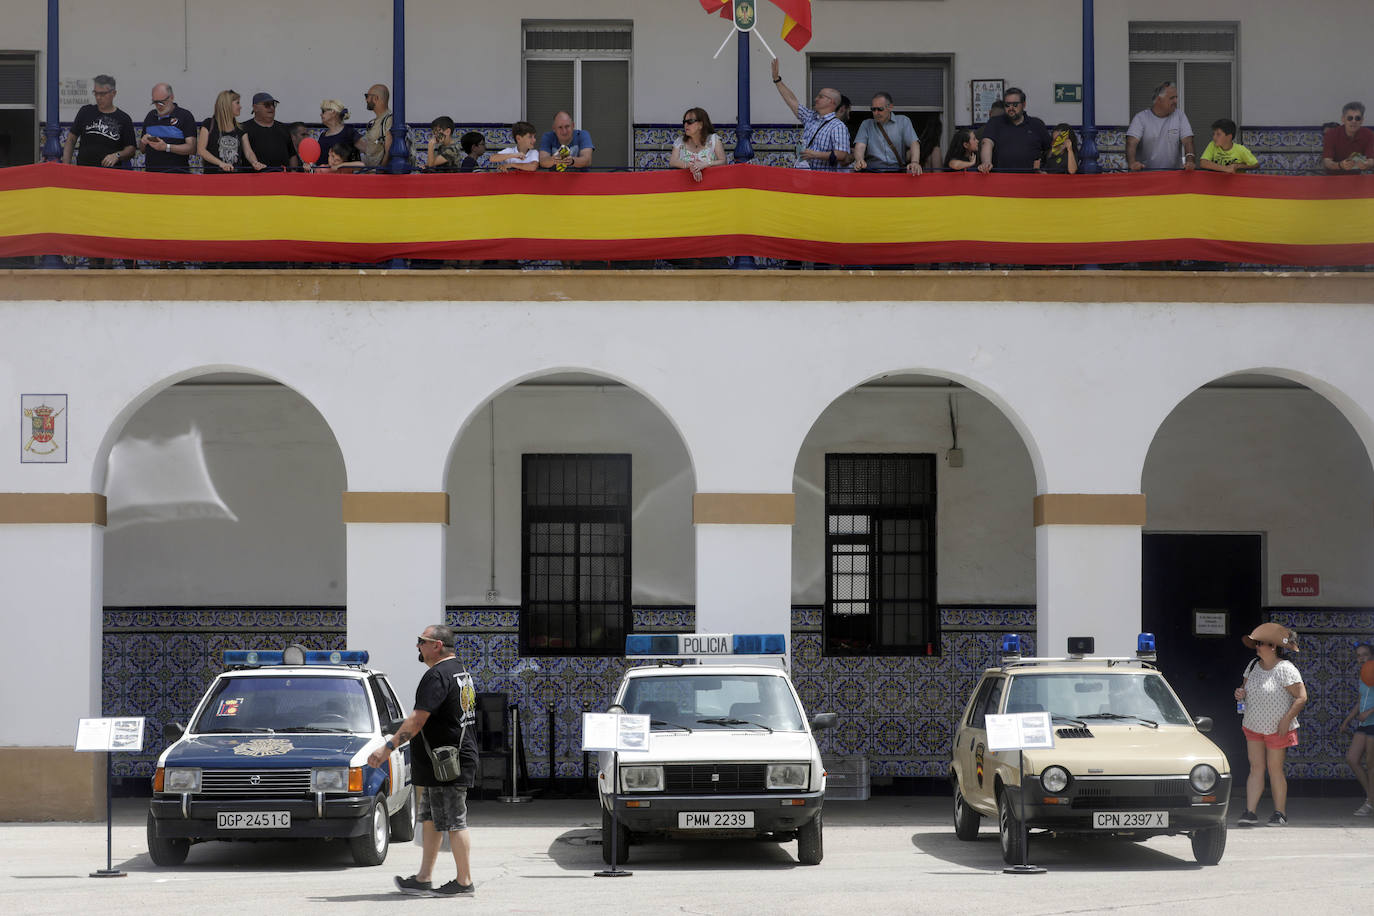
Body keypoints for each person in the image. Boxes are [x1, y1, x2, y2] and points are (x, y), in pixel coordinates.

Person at [368, 625, 479, 898]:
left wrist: (387, 748)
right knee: (430, 819)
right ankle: (424, 878)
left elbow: (417, 720)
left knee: (453, 821)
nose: (418, 646)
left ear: (437, 645)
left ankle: (464, 882)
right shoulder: (459, 671)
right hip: (441, 763)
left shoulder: (437, 675)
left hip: (447, 764)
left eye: (422, 641)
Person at [1233, 622, 1307, 827]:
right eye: (1256, 643)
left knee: (1275, 769)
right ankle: (1250, 812)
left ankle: (1279, 813)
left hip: (1277, 728)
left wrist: (1286, 720)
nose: (1256, 647)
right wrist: (1240, 693)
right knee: (1256, 768)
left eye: (1260, 644)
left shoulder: (1285, 669)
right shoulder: (1252, 666)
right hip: (1253, 724)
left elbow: (1301, 697)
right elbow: (1244, 690)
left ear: (1273, 646)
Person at [770, 57, 849, 171]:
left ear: (831, 101)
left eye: (821, 96)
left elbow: (842, 155)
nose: (816, 99)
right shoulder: (810, 117)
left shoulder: (838, 126)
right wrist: (777, 80)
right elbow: (792, 100)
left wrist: (815, 154)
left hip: (822, 179)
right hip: (803, 176)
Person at [62, 74, 135, 169]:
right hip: (84, 171)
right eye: (95, 93)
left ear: (113, 93)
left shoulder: (124, 118)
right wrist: (65, 166)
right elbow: (71, 139)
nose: (98, 97)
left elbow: (131, 149)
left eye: (102, 94)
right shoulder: (85, 111)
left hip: (110, 174)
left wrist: (117, 155)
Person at [1126, 81, 1196, 171]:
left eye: (1176, 97)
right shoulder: (1140, 118)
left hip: (1173, 175)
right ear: (1159, 100)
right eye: (1172, 98)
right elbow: (1131, 143)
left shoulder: (1180, 116)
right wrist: (1132, 162)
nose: (1176, 101)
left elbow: (1188, 141)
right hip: (1145, 175)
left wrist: (1190, 160)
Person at [978, 88, 1051, 173]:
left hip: (1030, 179)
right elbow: (987, 143)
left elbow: (1050, 149)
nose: (1011, 108)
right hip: (1001, 179)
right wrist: (986, 162)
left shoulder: (1037, 124)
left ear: (1024, 105)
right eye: (1007, 105)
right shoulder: (995, 122)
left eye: (1015, 105)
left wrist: (1046, 169)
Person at [1340, 642, 1374, 815]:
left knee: (1370, 763)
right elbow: (1361, 700)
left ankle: (1369, 803)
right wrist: (1347, 720)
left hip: (1373, 722)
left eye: (1365, 654)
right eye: (1358, 656)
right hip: (1363, 723)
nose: (1361, 658)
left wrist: (1369, 712)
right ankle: (1371, 797)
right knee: (1352, 758)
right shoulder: (1363, 674)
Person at [852, 92, 921, 176]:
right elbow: (860, 146)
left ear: (890, 107)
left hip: (897, 173)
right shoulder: (866, 124)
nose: (876, 113)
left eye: (880, 109)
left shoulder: (903, 121)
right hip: (872, 173)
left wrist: (915, 162)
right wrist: (859, 160)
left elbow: (914, 143)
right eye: (873, 109)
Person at [198, 90, 262, 173]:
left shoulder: (241, 128)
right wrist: (221, 164)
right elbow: (201, 150)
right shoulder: (209, 123)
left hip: (235, 178)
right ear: (227, 105)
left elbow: (248, 152)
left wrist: (255, 162)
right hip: (212, 178)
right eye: (237, 103)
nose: (240, 106)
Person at [139, 82, 197, 173]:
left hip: (177, 175)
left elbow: (192, 148)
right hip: (151, 175)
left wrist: (167, 147)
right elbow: (142, 150)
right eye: (155, 102)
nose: (158, 106)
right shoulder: (150, 116)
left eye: (162, 102)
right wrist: (143, 142)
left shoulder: (185, 116)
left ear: (171, 98)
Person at [241, 91, 298, 170]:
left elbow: (292, 155)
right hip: (255, 178)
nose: (271, 107)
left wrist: (293, 171)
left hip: (282, 178)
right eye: (267, 105)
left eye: (273, 104)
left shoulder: (283, 128)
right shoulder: (244, 128)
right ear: (255, 108)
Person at [669, 107, 726, 182]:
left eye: (690, 121)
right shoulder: (680, 141)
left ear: (701, 125)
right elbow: (672, 162)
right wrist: (693, 166)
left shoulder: (714, 139)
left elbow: (723, 162)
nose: (686, 124)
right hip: (685, 186)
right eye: (684, 122)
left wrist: (706, 164)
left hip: (712, 185)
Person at [1322, 102, 1374, 174]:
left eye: (1357, 118)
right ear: (1343, 119)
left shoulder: (1369, 134)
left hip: (1356, 177)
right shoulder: (1331, 134)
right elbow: (1327, 162)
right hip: (1333, 177)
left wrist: (1367, 164)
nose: (1354, 121)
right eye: (1350, 118)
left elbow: (1371, 160)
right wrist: (1340, 165)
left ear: (1362, 120)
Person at [356, 84, 392, 169]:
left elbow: (389, 150)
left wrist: (380, 171)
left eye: (367, 96)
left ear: (376, 98)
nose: (366, 100)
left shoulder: (389, 121)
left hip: (379, 175)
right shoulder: (378, 121)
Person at [315, 100, 358, 167]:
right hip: (321, 174)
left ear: (333, 112)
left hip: (341, 175)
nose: (321, 114)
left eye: (323, 111)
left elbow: (367, 150)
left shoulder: (348, 132)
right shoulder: (323, 135)